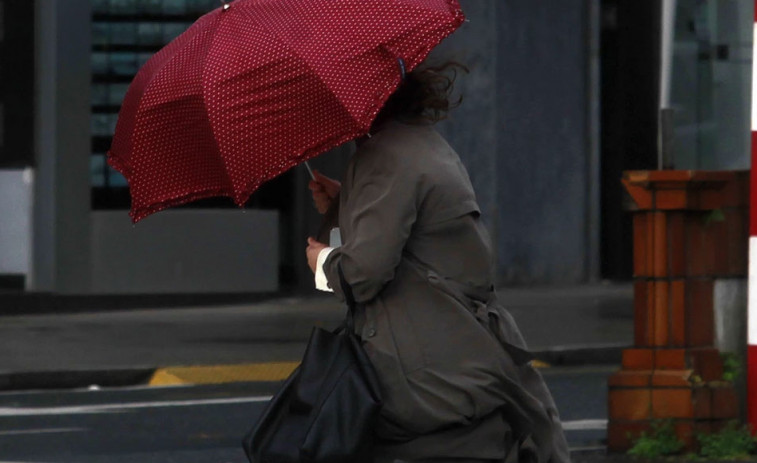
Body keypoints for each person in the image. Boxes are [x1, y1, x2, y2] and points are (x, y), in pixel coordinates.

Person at [305, 62, 570, 463]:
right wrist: (346, 201)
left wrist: (321, 261)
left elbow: (363, 274)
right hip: (465, 355)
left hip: (428, 375)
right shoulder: (419, 143)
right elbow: (414, 237)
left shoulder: (384, 157)